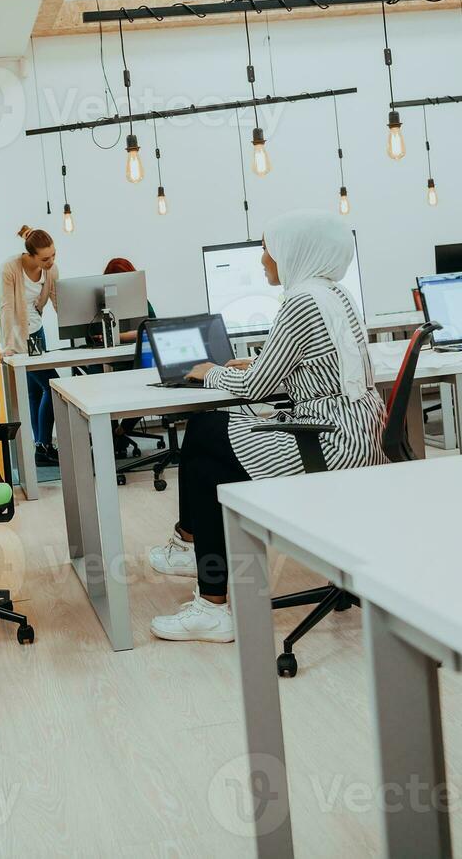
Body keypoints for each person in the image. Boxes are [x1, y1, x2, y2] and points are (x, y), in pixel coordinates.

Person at [145, 212, 385, 643]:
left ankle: (200, 574)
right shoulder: (334, 294)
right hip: (356, 432)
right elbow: (313, 363)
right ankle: (201, 577)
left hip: (326, 441)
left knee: (202, 433)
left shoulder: (300, 302)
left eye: (266, 248)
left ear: (293, 252)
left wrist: (210, 372)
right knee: (208, 465)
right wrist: (258, 361)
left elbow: (257, 387)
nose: (262, 259)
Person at [0, 226, 59, 465]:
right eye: (45, 258)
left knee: (37, 392)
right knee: (54, 387)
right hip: (18, 336)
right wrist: (10, 345)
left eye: (54, 255)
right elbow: (6, 306)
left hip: (37, 333)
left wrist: (79, 330)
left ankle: (40, 447)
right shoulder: (10, 268)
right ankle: (43, 444)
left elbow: (57, 300)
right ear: (31, 255)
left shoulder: (50, 271)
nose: (51, 261)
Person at [85, 257, 156, 347]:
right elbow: (91, 339)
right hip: (111, 358)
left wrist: (116, 337)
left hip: (136, 355)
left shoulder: (142, 302)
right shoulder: (101, 307)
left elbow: (154, 330)